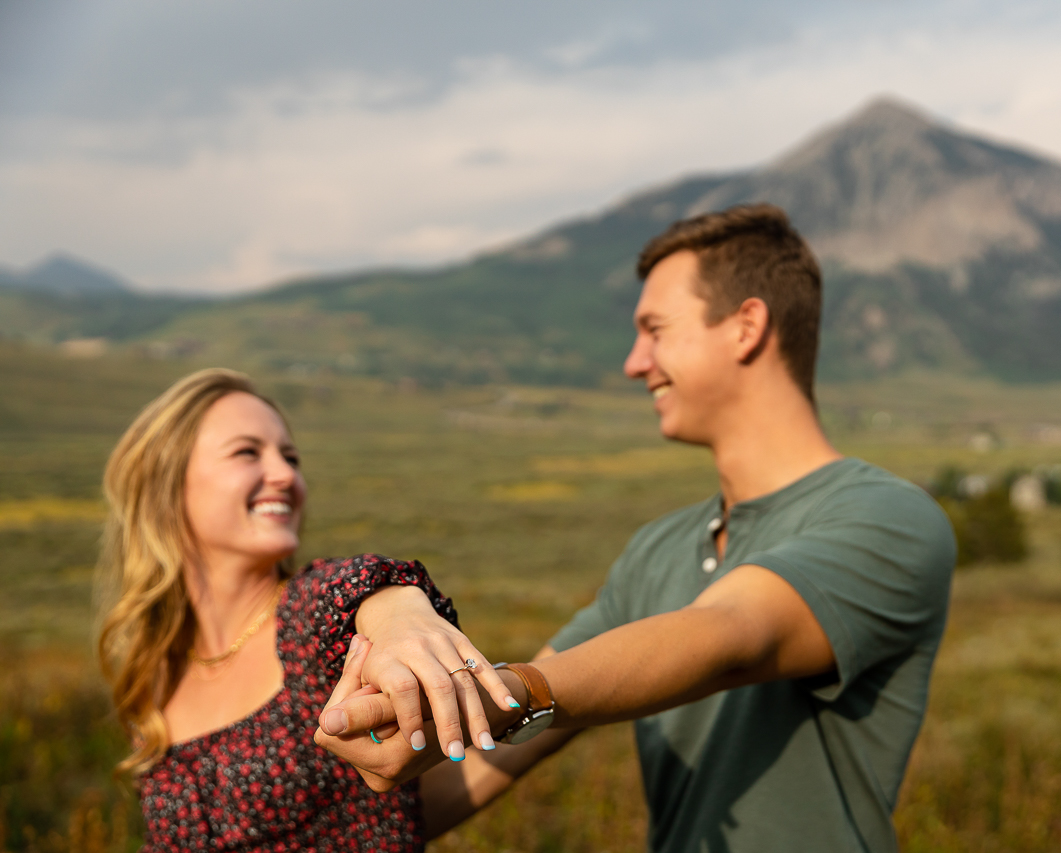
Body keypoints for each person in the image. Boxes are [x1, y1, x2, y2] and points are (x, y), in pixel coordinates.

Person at [316, 204, 957, 851]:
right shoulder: (657, 550)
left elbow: (731, 634)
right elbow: (490, 755)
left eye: (654, 328)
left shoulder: (891, 517)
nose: (633, 362)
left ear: (747, 326)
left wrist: (508, 693)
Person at [94, 368, 518, 852]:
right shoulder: (154, 666)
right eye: (247, 452)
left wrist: (402, 615)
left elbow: (360, 588)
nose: (285, 475)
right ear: (168, 483)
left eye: (290, 457)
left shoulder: (305, 626)